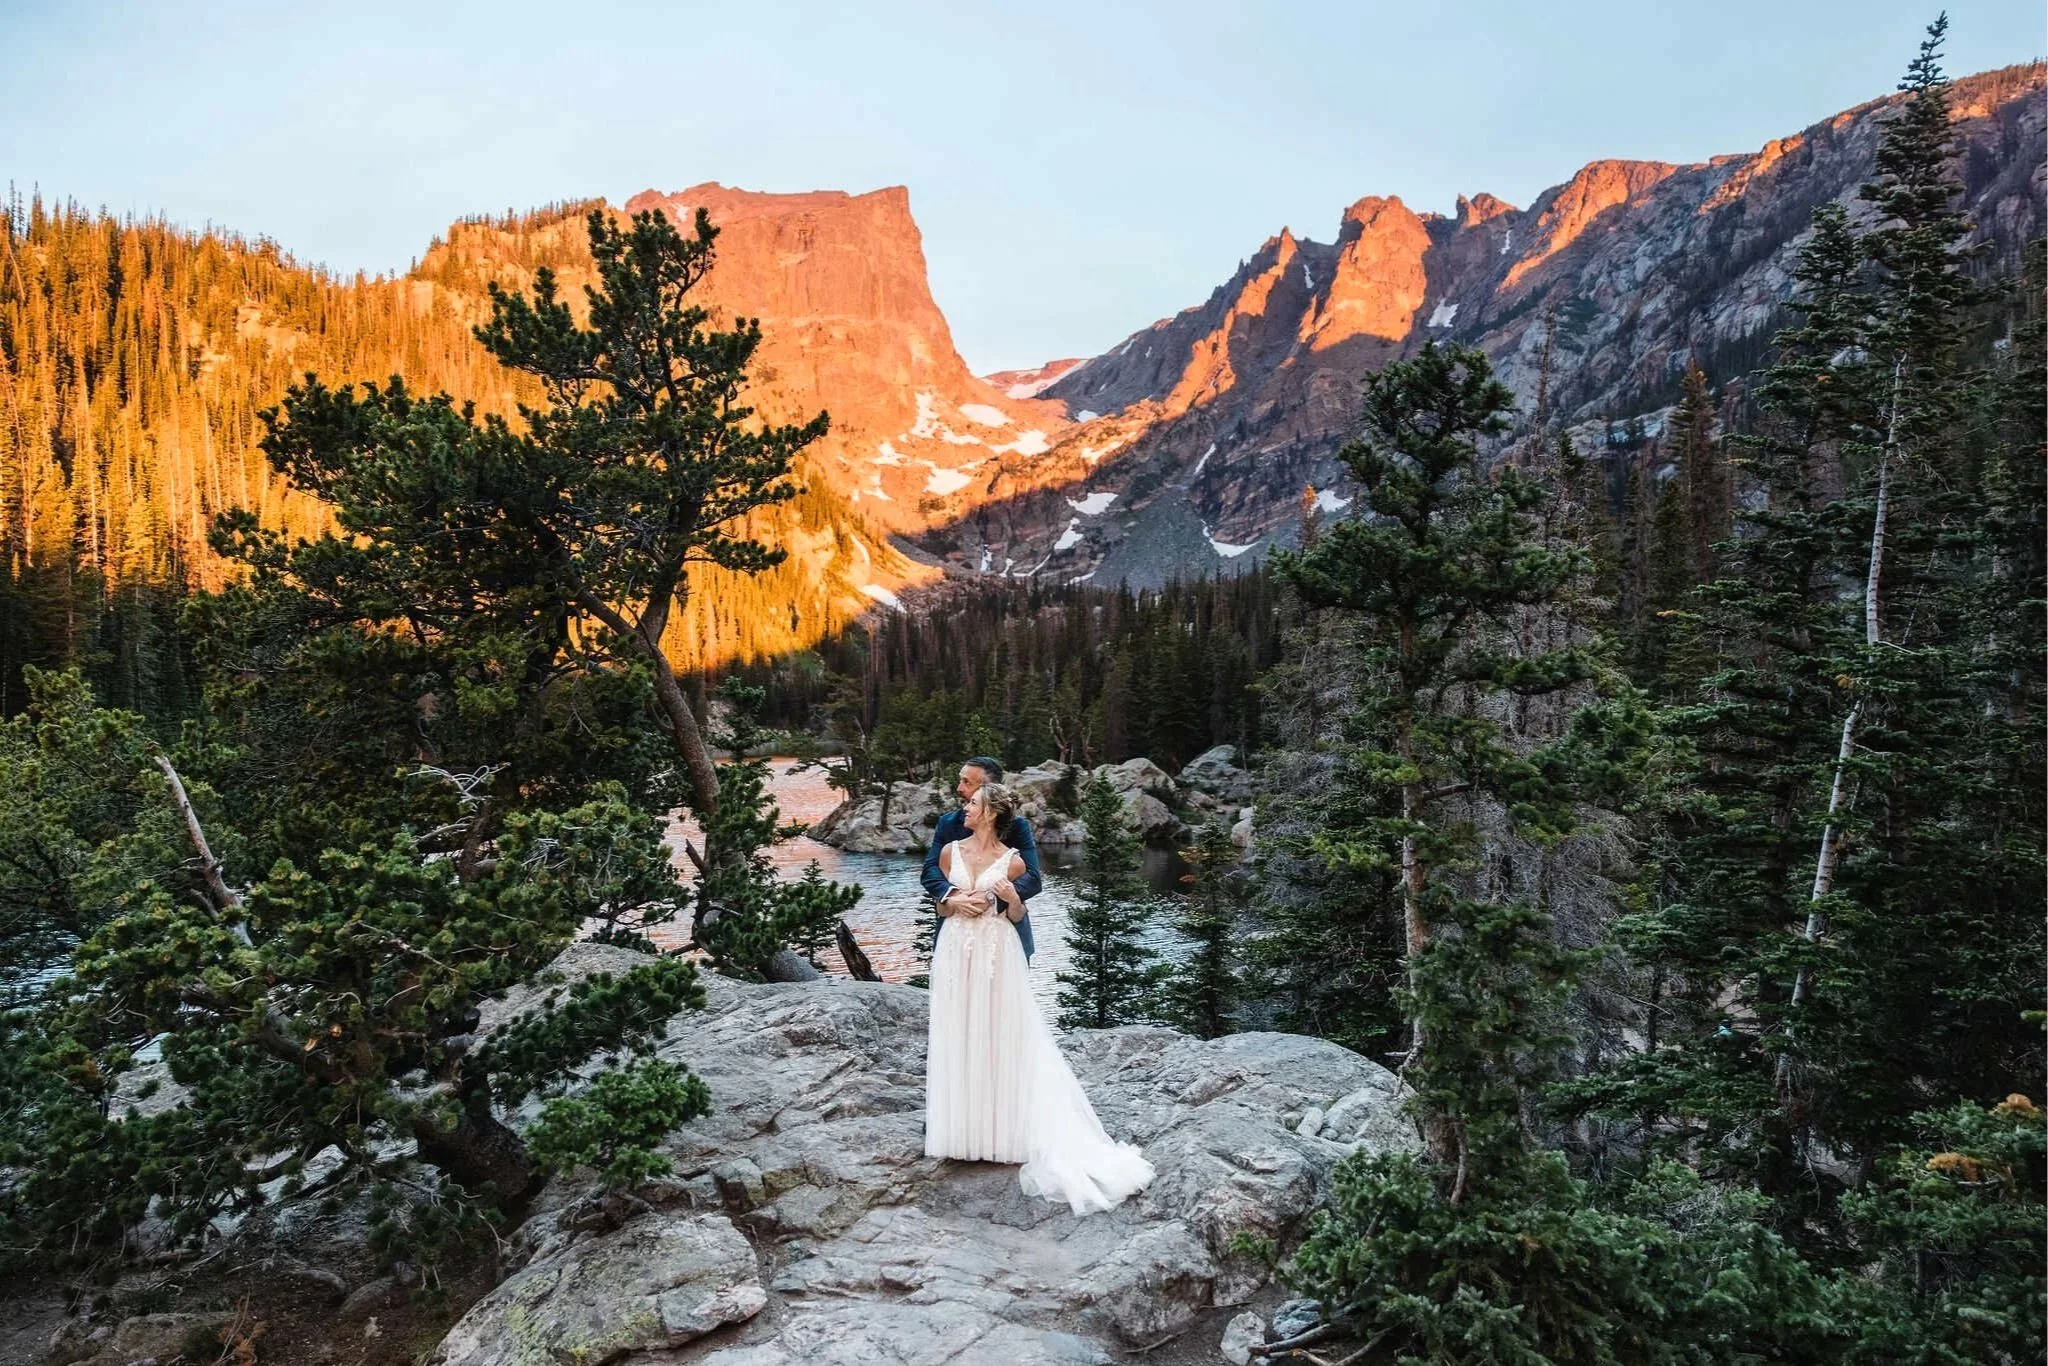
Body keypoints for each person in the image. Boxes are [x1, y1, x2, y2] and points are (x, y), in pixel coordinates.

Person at [923, 781, 1155, 1214]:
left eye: (972, 803)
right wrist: (952, 901)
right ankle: (960, 1133)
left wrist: (1012, 901)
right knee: (957, 1032)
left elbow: (1017, 913)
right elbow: (937, 903)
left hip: (996, 953)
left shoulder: (1012, 863)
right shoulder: (948, 851)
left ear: (991, 812)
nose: (965, 807)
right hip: (955, 950)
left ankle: (1003, 1134)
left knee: (1000, 1035)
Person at [922, 757, 1040, 959]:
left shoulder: (1017, 826)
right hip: (955, 933)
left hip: (1004, 937)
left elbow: (1033, 879)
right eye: (960, 780)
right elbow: (930, 870)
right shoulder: (948, 823)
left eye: (967, 782)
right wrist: (952, 895)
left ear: (988, 789)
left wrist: (992, 898)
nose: (959, 788)